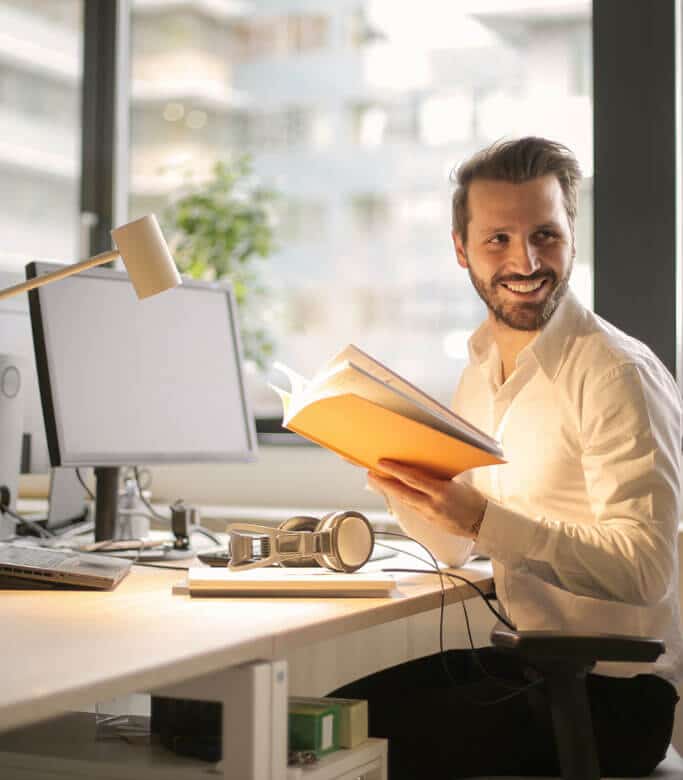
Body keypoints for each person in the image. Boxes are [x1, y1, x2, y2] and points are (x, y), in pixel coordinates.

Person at [331, 137, 683, 778]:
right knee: (325, 714)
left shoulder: (615, 372)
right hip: (531, 668)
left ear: (572, 234)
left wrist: (482, 519)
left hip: (615, 698)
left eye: (545, 235)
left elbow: (645, 568)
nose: (526, 260)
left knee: (344, 746)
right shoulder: (481, 371)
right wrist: (398, 480)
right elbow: (455, 549)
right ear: (460, 249)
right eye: (498, 240)